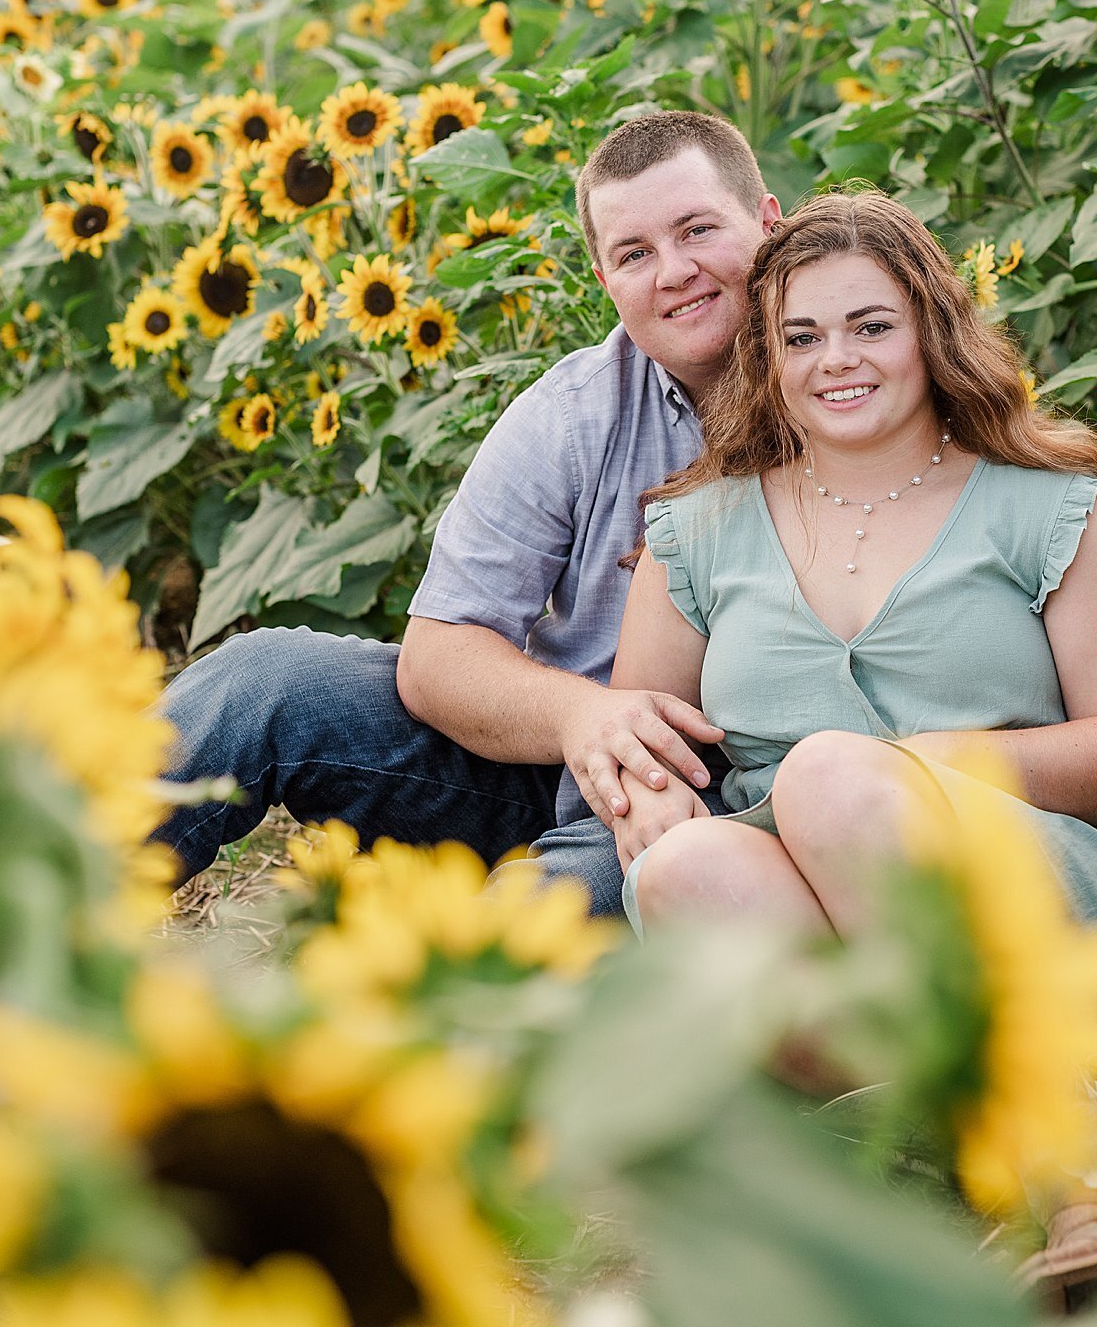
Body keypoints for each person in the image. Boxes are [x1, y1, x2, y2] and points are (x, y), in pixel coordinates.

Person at [151, 112, 781, 908]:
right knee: (263, 679)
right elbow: (441, 653)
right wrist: (582, 715)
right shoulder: (575, 413)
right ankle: (22, 910)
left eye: (697, 230)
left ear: (767, 222)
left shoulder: (852, 384)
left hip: (727, 800)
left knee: (538, 919)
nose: (674, 271)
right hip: (551, 761)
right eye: (635, 253)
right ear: (603, 279)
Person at [608, 187, 1097, 1004]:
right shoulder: (696, 532)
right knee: (685, 868)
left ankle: (1012, 1063)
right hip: (806, 914)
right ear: (767, 358)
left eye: (872, 327)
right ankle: (919, 1109)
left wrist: (920, 766)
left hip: (1032, 900)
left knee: (828, 778)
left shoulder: (1045, 504)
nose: (836, 359)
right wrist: (648, 796)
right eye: (801, 337)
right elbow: (638, 737)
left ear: (931, 332)